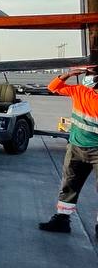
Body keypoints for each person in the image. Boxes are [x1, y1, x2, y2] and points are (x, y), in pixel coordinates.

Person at [39, 67, 98, 235]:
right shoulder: (80, 91)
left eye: (90, 74)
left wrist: (69, 74)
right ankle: (62, 220)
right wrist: (68, 74)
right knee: (69, 185)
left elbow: (54, 87)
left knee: (70, 184)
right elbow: (53, 87)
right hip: (76, 148)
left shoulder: (81, 91)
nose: (87, 77)